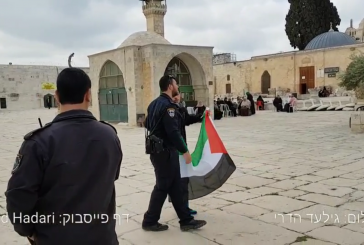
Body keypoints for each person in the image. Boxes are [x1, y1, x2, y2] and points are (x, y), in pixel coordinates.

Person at [5, 68, 123, 245]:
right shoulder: (109, 135)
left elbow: (18, 196)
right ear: (88, 95)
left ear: (57, 96)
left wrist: (28, 231)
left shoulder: (39, 142)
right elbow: (111, 176)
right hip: (102, 237)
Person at [142, 75, 206, 232]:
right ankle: (149, 221)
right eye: (176, 83)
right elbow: (173, 132)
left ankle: (186, 220)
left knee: (175, 185)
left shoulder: (154, 104)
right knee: (162, 186)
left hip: (159, 151)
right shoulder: (169, 106)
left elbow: (148, 124)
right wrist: (184, 151)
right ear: (170, 86)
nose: (178, 86)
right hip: (165, 153)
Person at [172, 93, 202, 215]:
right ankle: (181, 208)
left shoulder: (180, 108)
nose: (177, 97)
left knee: (183, 179)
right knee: (172, 182)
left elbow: (187, 120)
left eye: (177, 95)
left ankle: (184, 207)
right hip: (173, 150)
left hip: (181, 149)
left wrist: (201, 116)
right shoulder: (167, 109)